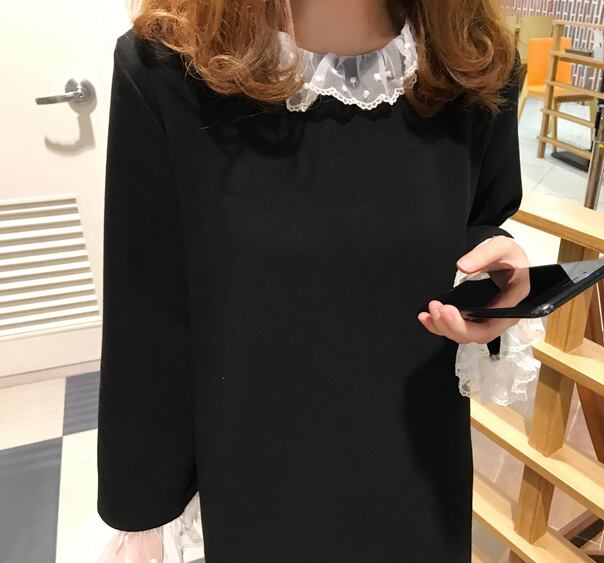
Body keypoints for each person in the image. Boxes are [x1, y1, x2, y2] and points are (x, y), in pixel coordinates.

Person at [94, 0, 539, 561]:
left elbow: (475, 218)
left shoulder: (473, 60)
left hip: (418, 475)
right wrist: (145, 512)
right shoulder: (168, 66)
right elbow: (148, 318)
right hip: (257, 483)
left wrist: (493, 281)